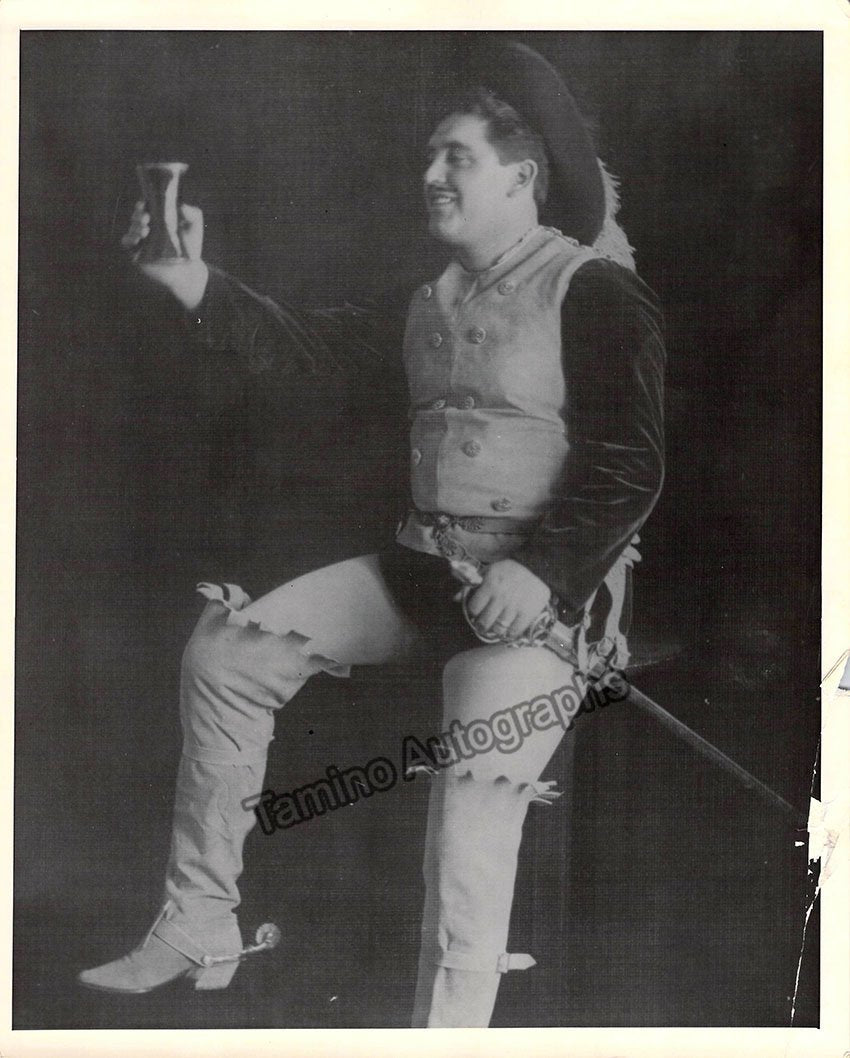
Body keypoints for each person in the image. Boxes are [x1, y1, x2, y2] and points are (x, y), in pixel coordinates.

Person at [77, 42, 665, 1027]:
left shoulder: (594, 290)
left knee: (472, 808)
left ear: (521, 177)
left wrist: (543, 571)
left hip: (542, 611)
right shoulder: (426, 298)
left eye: (456, 157)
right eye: (429, 156)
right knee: (227, 653)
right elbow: (303, 349)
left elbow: (631, 464)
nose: (430, 174)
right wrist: (191, 278)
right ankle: (199, 921)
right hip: (423, 573)